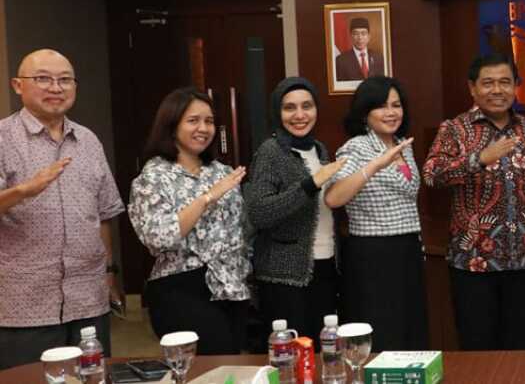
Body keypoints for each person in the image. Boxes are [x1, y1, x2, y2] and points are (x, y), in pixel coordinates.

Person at [0, 49, 124, 369]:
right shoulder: (3, 138)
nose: (56, 88)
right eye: (43, 79)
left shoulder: (88, 140)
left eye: (65, 80)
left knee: (92, 376)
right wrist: (22, 191)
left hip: (88, 299)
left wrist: (109, 275)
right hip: (25, 304)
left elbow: (104, 214)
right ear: (17, 85)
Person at [424, 54, 525, 351]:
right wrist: (479, 159)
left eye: (505, 82)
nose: (497, 90)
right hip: (473, 262)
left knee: (522, 348)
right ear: (472, 88)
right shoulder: (455, 129)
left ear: (516, 86)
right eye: (488, 83)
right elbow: (432, 176)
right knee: (478, 349)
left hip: (524, 260)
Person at [128, 87, 251, 354]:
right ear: (172, 126)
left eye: (209, 121)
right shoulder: (154, 177)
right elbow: (158, 239)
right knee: (205, 368)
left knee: (232, 365)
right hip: (182, 287)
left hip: (231, 286)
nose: (203, 129)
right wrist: (207, 198)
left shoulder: (222, 172)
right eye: (193, 120)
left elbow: (240, 230)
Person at [324, 76, 427, 350]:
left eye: (396, 105)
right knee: (383, 331)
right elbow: (333, 197)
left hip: (407, 250)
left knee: (410, 330)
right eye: (381, 106)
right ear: (364, 113)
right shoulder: (356, 147)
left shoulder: (403, 143)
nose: (391, 112)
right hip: (373, 254)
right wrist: (374, 166)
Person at [243, 77, 345, 341]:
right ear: (277, 112)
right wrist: (311, 184)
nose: (300, 115)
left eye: (307, 106)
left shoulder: (319, 149)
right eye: (289, 107)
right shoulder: (270, 151)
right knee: (291, 354)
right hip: (283, 275)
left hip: (325, 266)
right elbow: (259, 212)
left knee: (324, 350)